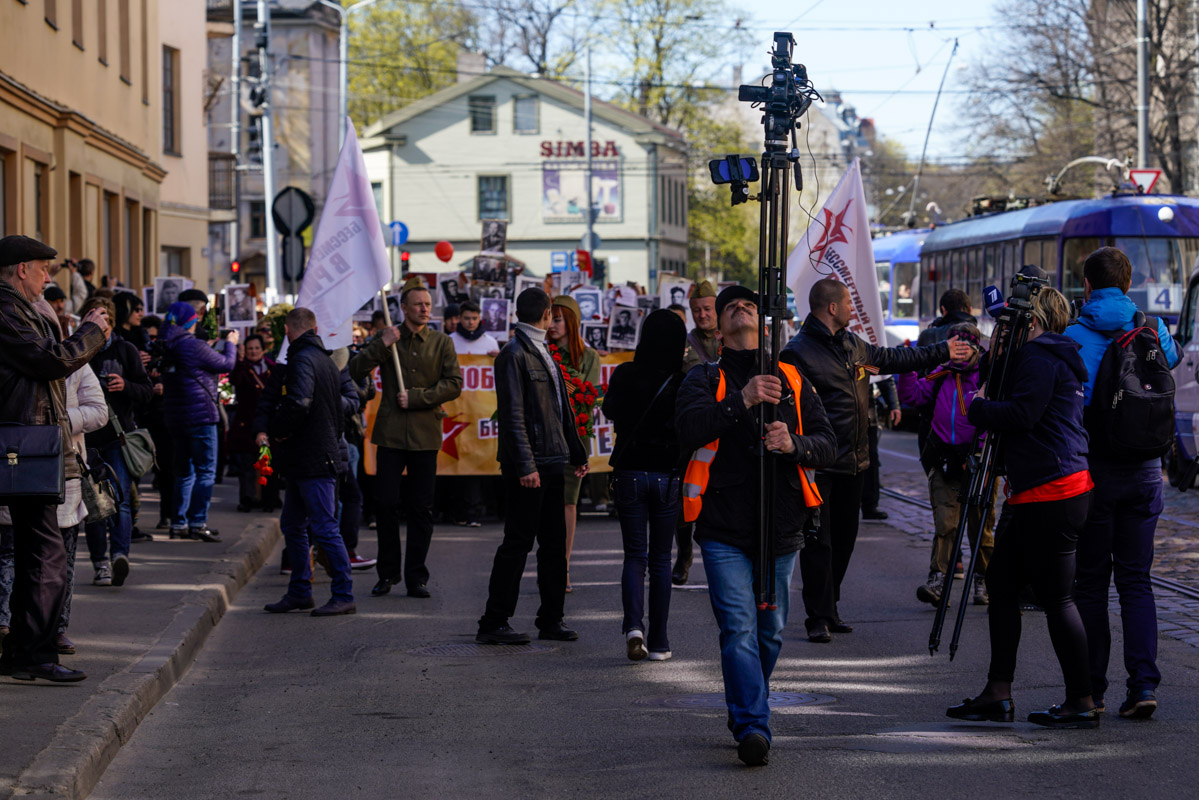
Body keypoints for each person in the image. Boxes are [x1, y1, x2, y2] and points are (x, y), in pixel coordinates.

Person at [676, 285, 836, 765]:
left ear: (763, 323)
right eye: (730, 306)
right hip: (724, 526)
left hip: (783, 524)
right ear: (718, 327)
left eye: (748, 303)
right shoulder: (703, 377)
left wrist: (795, 445)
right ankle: (753, 724)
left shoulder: (791, 375)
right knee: (740, 629)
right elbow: (687, 431)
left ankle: (748, 704)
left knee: (770, 632)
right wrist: (741, 400)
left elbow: (830, 444)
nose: (740, 307)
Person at [783, 278, 971, 643]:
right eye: (849, 304)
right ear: (832, 308)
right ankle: (817, 617)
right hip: (819, 463)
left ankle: (831, 605)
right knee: (819, 542)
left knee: (845, 539)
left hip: (855, 461)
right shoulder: (798, 352)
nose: (854, 310)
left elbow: (894, 359)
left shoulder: (853, 345)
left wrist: (942, 351)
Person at [947, 287, 1099, 729]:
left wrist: (978, 408)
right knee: (1002, 582)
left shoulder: (1039, 357)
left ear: (1031, 322)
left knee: (1057, 597)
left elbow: (1023, 413)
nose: (1004, 329)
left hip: (1052, 490)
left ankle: (1081, 699)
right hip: (1049, 486)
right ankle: (999, 691)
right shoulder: (1049, 353)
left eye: (1011, 323)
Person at [1066, 246, 1181, 719]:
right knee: (1136, 582)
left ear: (1087, 285)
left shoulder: (1074, 335)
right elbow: (1168, 364)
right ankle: (1144, 685)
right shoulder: (1152, 329)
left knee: (1091, 584)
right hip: (1147, 473)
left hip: (1095, 473)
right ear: (1129, 284)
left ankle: (1091, 690)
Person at [0, 235, 109, 682]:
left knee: (35, 552)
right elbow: (50, 361)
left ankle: (25, 652)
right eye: (43, 268)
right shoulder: (6, 309)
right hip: (23, 445)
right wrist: (92, 332)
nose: (49, 277)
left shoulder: (21, 308)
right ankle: (36, 655)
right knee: (46, 556)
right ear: (21, 269)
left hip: (30, 444)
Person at [477, 288, 590, 645]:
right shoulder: (513, 354)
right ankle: (493, 621)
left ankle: (551, 619)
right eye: (552, 313)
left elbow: (561, 410)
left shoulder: (543, 351)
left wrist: (577, 452)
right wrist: (526, 465)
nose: (554, 319)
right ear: (545, 314)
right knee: (518, 542)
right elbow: (512, 416)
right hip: (528, 466)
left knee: (554, 545)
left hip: (553, 461)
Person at [350, 279, 462, 599]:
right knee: (385, 504)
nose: (425, 309)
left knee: (421, 507)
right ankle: (387, 573)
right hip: (390, 434)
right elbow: (356, 369)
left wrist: (416, 398)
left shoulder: (441, 342)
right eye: (418, 304)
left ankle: (416, 577)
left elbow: (454, 384)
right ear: (404, 308)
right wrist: (381, 343)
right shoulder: (390, 339)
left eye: (428, 304)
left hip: (425, 434)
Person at [256, 308, 356, 617]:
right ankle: (300, 591)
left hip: (313, 458)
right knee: (294, 525)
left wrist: (278, 431)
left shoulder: (302, 360)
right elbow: (340, 409)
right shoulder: (326, 360)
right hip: (312, 456)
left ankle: (343, 594)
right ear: (314, 328)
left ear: (288, 330)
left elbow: (299, 403)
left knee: (324, 528)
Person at [603, 310, 688, 661]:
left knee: (634, 555)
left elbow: (608, 410)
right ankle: (661, 641)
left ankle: (633, 627)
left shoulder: (625, 373)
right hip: (668, 475)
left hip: (629, 473)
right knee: (661, 558)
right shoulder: (684, 380)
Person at [897, 321, 996, 607]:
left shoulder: (987, 377)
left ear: (977, 347)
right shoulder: (942, 373)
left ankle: (983, 579)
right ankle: (939, 580)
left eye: (964, 345)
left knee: (981, 527)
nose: (959, 351)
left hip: (978, 463)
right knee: (945, 524)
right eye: (954, 345)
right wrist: (908, 366)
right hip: (944, 461)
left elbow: (996, 418)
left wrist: (978, 454)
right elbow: (912, 396)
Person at [79, 296, 152, 587]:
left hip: (118, 438)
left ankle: (119, 556)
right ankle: (101, 565)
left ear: (110, 322)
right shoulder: (77, 351)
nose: (100, 326)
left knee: (119, 501)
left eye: (104, 319)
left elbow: (146, 390)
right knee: (97, 506)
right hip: (86, 441)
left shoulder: (126, 350)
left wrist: (126, 386)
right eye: (93, 318)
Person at [161, 301, 237, 542]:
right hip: (200, 416)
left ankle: (179, 523)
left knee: (184, 471)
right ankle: (197, 522)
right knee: (206, 471)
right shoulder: (192, 344)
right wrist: (231, 345)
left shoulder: (166, 343)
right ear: (191, 322)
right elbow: (227, 364)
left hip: (176, 417)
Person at [547, 295, 601, 592]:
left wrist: (561, 376)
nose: (552, 325)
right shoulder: (541, 351)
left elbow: (586, 396)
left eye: (558, 319)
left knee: (569, 502)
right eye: (549, 318)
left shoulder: (589, 356)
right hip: (545, 436)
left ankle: (563, 565)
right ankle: (548, 562)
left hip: (574, 438)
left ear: (572, 322)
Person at [674, 280, 721, 585]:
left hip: (724, 427)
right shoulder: (685, 342)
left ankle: (718, 563)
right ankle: (683, 555)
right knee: (685, 495)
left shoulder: (730, 338)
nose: (702, 315)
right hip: (693, 429)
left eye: (707, 308)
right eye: (696, 310)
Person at [228, 334, 276, 512]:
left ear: (263, 350)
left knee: (267, 461)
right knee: (247, 463)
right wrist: (239, 360)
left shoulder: (272, 369)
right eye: (250, 349)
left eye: (256, 348)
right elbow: (235, 381)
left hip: (268, 422)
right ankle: (247, 498)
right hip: (246, 422)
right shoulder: (242, 368)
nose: (253, 352)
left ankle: (268, 498)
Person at [859, 377, 900, 520]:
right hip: (840, 410)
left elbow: (884, 376)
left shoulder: (869, 354)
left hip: (867, 410)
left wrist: (893, 404)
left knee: (870, 459)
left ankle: (870, 505)